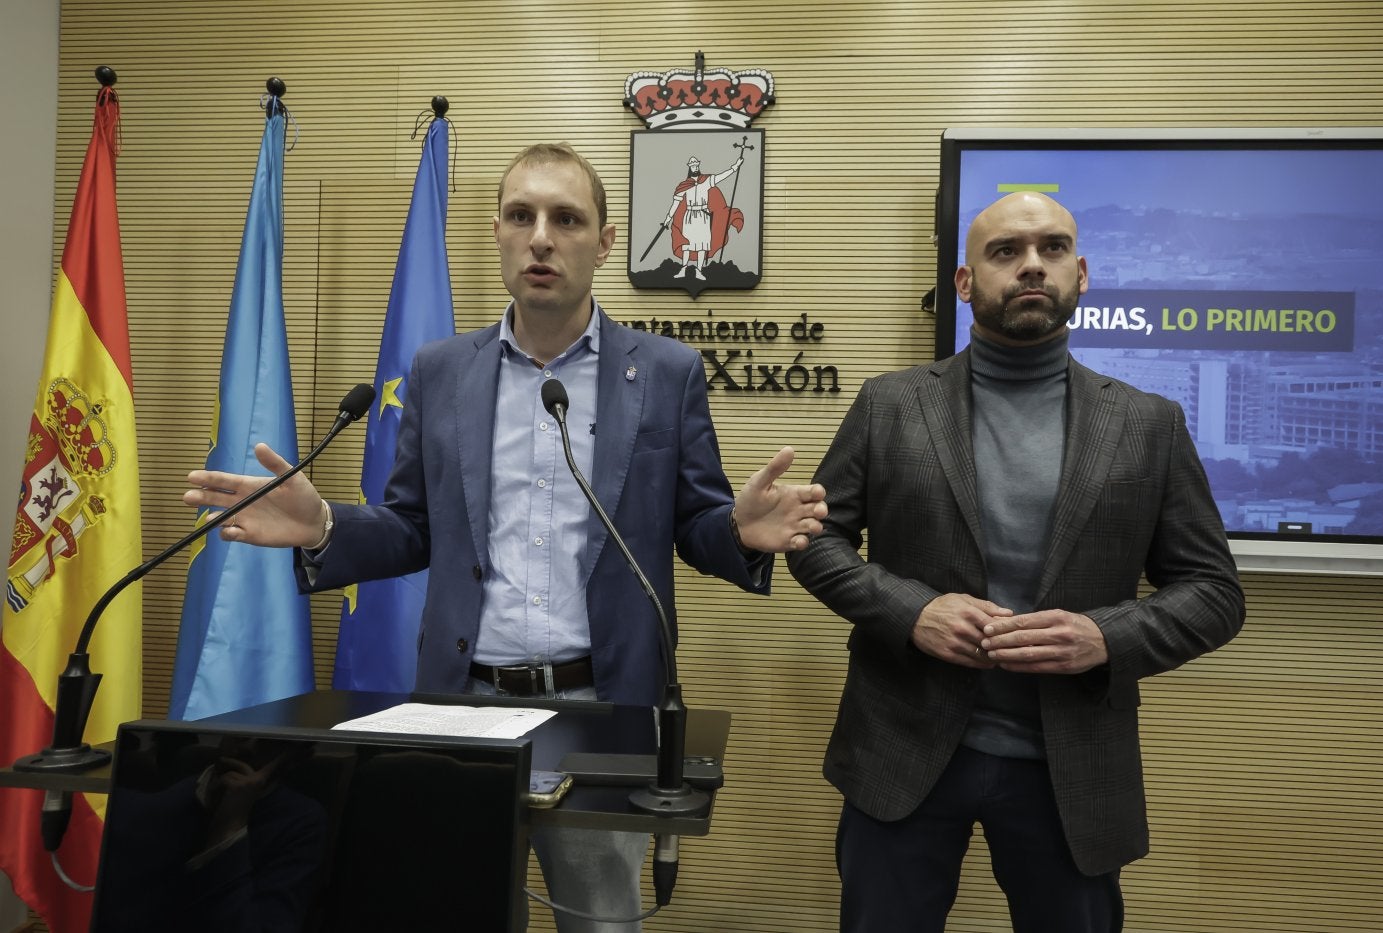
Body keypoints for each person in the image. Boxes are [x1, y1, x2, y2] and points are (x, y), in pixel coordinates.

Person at [183, 142, 827, 933]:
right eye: (521, 216)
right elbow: (412, 527)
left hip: (602, 705)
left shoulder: (665, 371)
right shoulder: (441, 369)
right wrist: (324, 526)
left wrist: (738, 532)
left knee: (599, 920)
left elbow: (696, 525)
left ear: (606, 241)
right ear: (496, 232)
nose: (541, 238)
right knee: (462, 912)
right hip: (463, 702)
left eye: (566, 219)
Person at [785, 191, 1245, 933]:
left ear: (1080, 274)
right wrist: (913, 612)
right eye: (1006, 251)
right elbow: (813, 540)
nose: (1032, 265)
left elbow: (1214, 592)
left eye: (1052, 248)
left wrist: (1104, 638)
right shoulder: (890, 404)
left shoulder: (1149, 424)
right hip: (903, 749)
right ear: (965, 281)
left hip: (1072, 766)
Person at [664, 155, 743, 280]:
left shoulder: (706, 181)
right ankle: (683, 269)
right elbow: (675, 204)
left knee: (702, 245)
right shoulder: (684, 186)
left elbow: (721, 177)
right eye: (693, 166)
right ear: (689, 168)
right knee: (687, 244)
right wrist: (667, 219)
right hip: (690, 216)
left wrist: (735, 167)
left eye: (696, 165)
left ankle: (699, 271)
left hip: (703, 216)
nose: (695, 167)